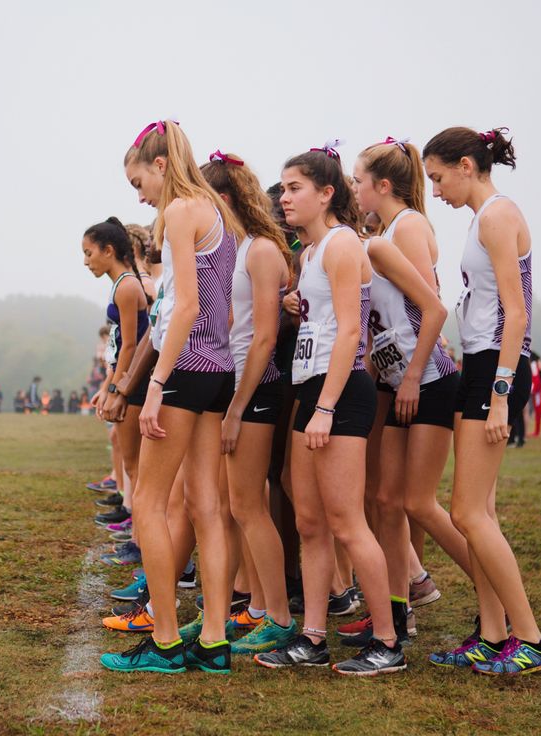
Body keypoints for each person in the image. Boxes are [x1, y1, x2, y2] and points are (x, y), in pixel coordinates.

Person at [254, 140, 405, 676]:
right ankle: (312, 636)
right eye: (284, 188)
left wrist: (326, 408)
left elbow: (349, 334)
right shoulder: (307, 253)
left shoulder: (343, 245)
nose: (285, 198)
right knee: (311, 521)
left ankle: (388, 641)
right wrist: (296, 303)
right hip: (309, 389)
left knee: (347, 523)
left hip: (338, 396)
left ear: (326, 193)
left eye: (295, 189)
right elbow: (322, 321)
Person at [99, 120, 243, 675]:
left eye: (138, 181)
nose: (138, 195)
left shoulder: (182, 210)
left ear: (160, 165)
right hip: (218, 369)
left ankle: (162, 642)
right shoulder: (218, 212)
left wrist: (154, 386)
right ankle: (212, 641)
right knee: (208, 507)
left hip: (184, 370)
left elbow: (183, 309)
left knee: (152, 506)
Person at [422, 126, 541, 674]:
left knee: (467, 511)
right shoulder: (482, 218)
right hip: (478, 363)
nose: (435, 191)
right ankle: (493, 634)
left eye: (437, 178)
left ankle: (531, 640)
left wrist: (500, 397)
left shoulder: (497, 215)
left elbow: (517, 312)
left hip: (497, 366)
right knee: (483, 511)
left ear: (467, 166)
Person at [346, 137, 468, 645]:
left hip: (430, 381)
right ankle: (396, 615)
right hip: (398, 386)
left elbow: (430, 310)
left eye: (357, 180)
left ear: (382, 186)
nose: (352, 189)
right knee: (384, 500)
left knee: (419, 504)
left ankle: (497, 592)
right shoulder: (375, 235)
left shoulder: (408, 226)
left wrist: (413, 375)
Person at [199, 150, 296, 654]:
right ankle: (256, 609)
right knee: (234, 505)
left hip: (257, 389)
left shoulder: (260, 250)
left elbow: (263, 337)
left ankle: (278, 616)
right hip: (238, 386)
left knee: (249, 506)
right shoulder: (240, 247)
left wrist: (237, 406)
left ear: (226, 197)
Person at [83, 216, 150, 536]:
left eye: (89, 253)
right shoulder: (121, 284)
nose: (86, 262)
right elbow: (119, 343)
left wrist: (115, 389)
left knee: (136, 468)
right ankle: (137, 533)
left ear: (108, 251)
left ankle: (140, 539)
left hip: (135, 382)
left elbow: (131, 345)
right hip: (129, 380)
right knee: (134, 467)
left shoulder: (126, 286)